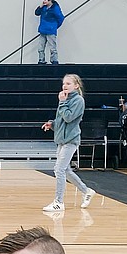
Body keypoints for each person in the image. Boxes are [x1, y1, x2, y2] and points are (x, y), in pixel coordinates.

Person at [41, 73, 95, 214]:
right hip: (61, 139)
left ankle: (58, 202)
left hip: (71, 140)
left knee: (59, 169)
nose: (65, 86)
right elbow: (61, 120)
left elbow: (69, 117)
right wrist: (51, 124)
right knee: (65, 170)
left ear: (76, 86)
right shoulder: (65, 99)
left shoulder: (78, 100)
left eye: (68, 84)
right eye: (64, 83)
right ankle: (86, 191)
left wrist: (62, 102)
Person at [34, 0, 65, 66]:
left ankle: (54, 61)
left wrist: (54, 26)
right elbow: (37, 13)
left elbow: (61, 18)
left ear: (50, 0)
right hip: (43, 29)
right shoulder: (44, 7)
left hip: (50, 30)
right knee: (40, 47)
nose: (43, 1)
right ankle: (41, 60)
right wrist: (40, 7)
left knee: (52, 47)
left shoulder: (55, 9)